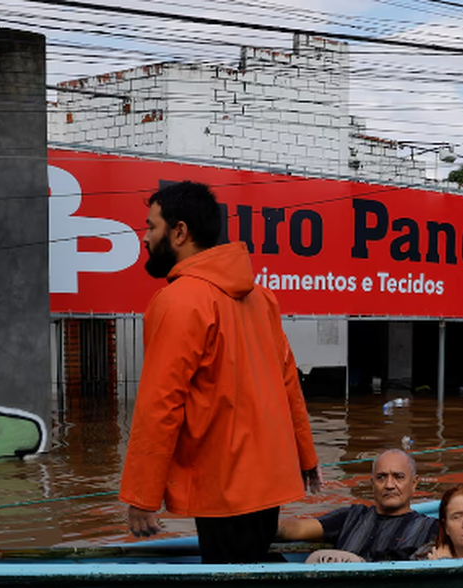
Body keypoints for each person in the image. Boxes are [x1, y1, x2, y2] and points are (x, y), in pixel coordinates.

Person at [120, 181, 319, 564]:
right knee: (253, 576)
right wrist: (306, 458)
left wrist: (142, 497)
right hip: (268, 483)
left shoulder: (179, 300)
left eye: (150, 226)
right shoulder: (262, 298)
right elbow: (289, 382)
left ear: (179, 232)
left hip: (224, 487)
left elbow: (160, 404)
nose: (144, 238)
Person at [278, 449, 437, 562]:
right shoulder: (352, 516)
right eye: (381, 477)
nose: (389, 485)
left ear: (414, 483)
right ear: (372, 483)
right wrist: (259, 523)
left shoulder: (430, 528)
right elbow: (297, 529)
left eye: (398, 477)